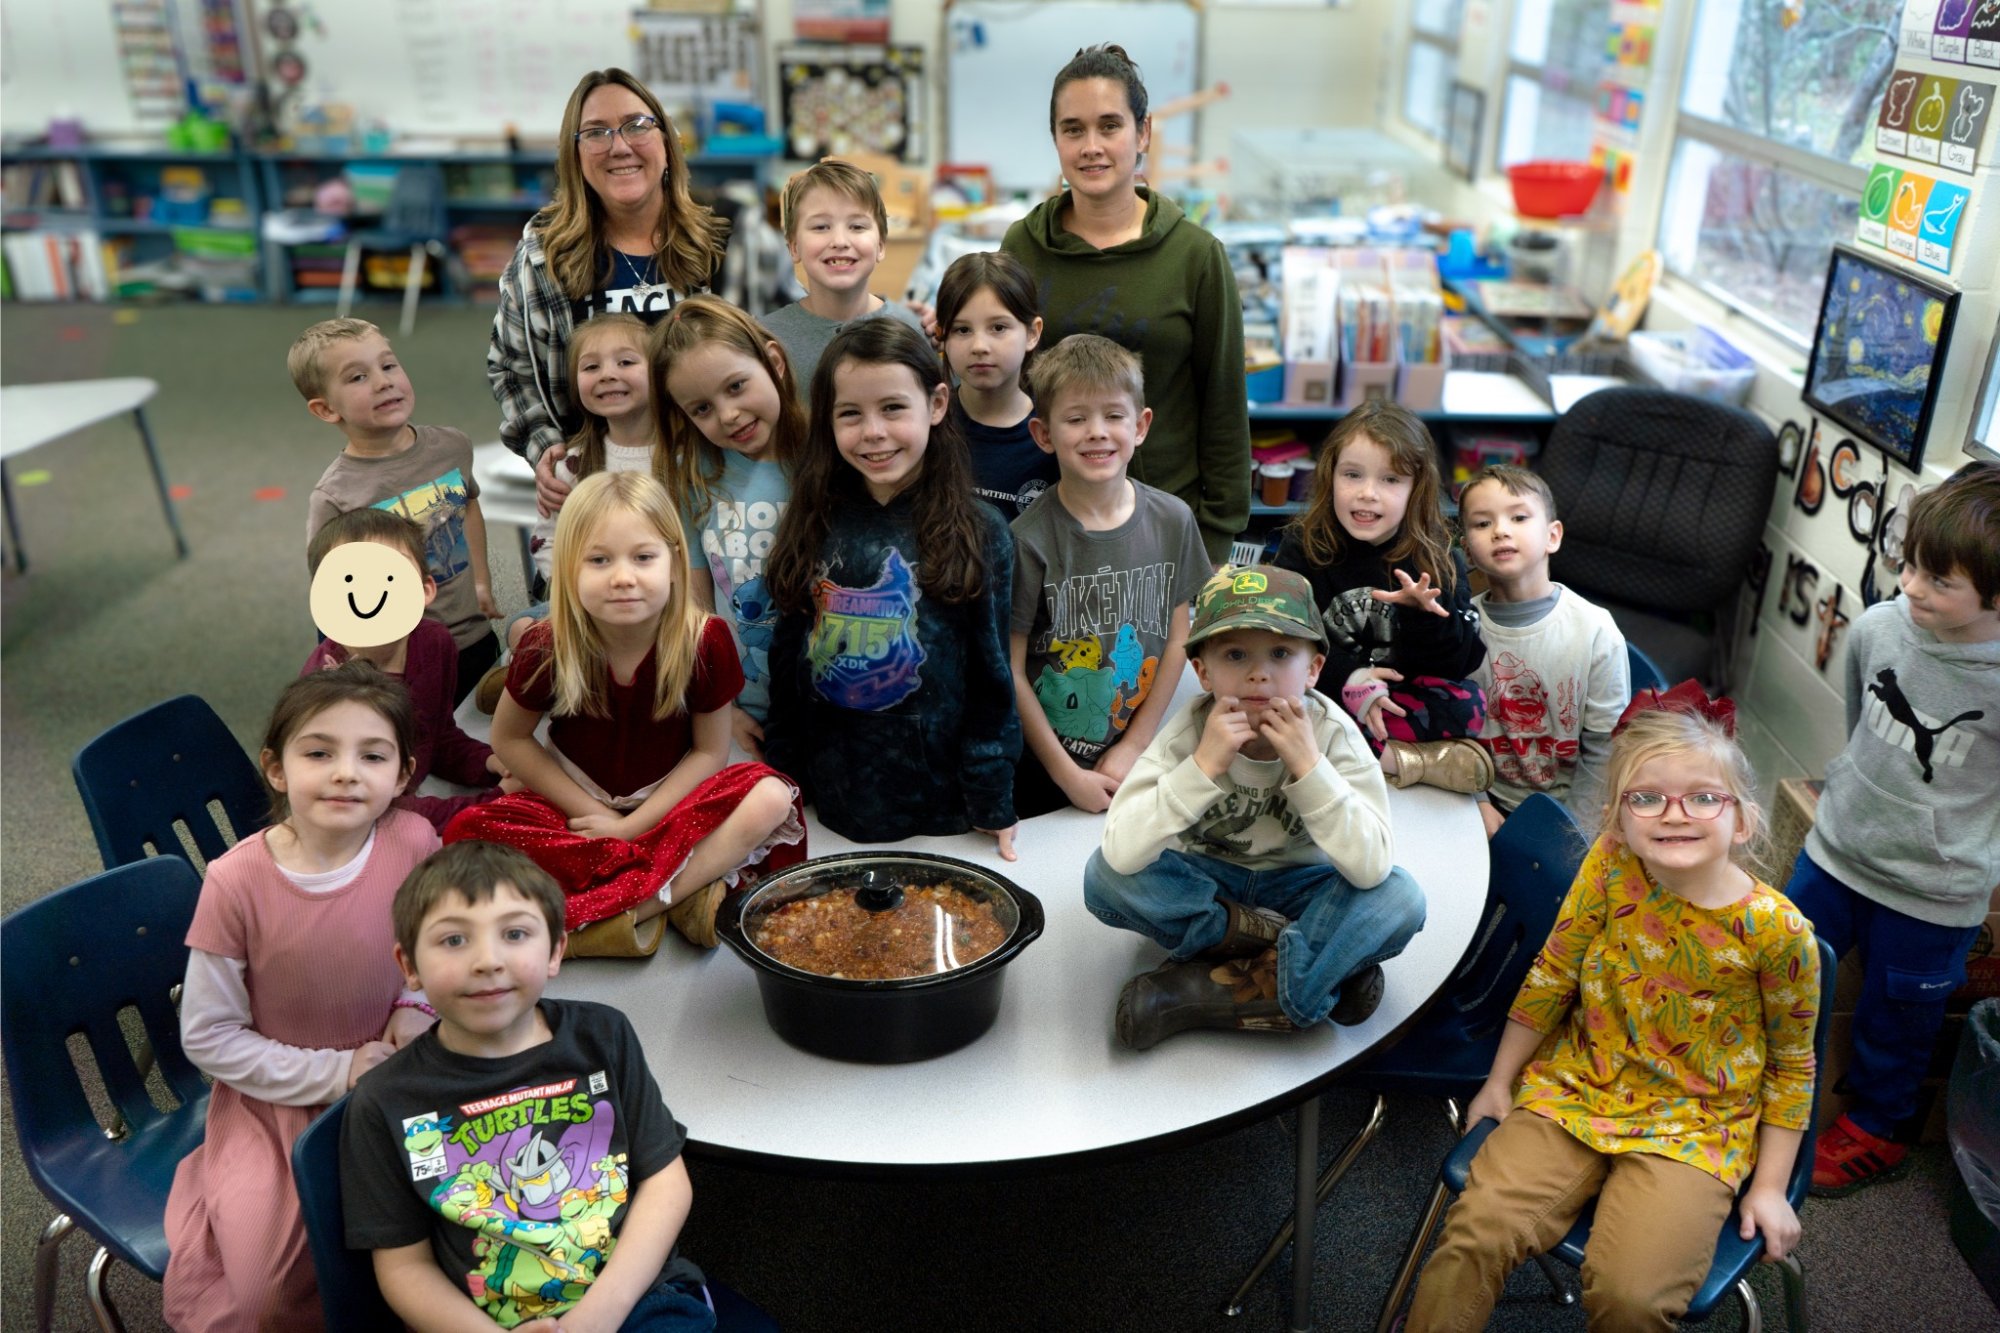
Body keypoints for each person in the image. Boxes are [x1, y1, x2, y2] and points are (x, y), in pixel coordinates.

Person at [1404, 697, 1820, 1333]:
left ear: (1742, 822)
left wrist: (1769, 1185)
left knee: (1631, 1297)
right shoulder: (1610, 863)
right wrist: (1498, 1080)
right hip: (1578, 1084)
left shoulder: (1778, 931)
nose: (1674, 815)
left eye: (1704, 798)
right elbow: (1553, 972)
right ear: (1617, 819)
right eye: (1646, 798)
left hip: (1697, 1123)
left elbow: (1792, 1068)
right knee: (1476, 1235)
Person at [162, 662, 443, 1333]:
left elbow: (437, 952)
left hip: (398, 1076)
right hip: (279, 1105)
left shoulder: (414, 840)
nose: (346, 772)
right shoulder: (235, 881)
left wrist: (414, 1008)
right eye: (319, 751)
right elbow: (207, 1035)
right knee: (270, 1293)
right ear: (277, 768)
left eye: (371, 755)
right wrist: (334, 1072)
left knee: (461, 1224)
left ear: (401, 775)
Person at [342, 840, 714, 1331]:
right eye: (454, 940)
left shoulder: (604, 1036)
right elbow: (404, 1267)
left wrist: (599, 1316)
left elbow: (665, 1183)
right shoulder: (383, 1101)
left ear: (556, 948)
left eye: (515, 933)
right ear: (408, 966)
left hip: (637, 1298)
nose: (487, 960)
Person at [443, 471, 805, 957]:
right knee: (467, 833)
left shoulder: (705, 639)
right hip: (576, 806)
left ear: (675, 563)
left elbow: (708, 753)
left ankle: (641, 907)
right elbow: (511, 740)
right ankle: (679, 888)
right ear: (568, 570)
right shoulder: (545, 645)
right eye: (598, 560)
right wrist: (594, 813)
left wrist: (631, 828)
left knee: (771, 797)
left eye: (643, 557)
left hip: (670, 802)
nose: (623, 576)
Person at [1083, 565, 1427, 1050]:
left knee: (1401, 898)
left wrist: (1309, 767)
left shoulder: (1333, 735)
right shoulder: (1189, 735)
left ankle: (1202, 988)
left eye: (1281, 653)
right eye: (1235, 654)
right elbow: (1120, 854)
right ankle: (1305, 966)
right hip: (1209, 880)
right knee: (1103, 879)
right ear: (1202, 672)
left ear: (1313, 669)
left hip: (1303, 884)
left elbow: (1371, 868)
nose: (1258, 673)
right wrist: (1201, 768)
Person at [1785, 463, 2000, 1196]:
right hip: (1837, 852)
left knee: (1896, 1019)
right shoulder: (1881, 626)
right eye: (1909, 565)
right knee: (1777, 969)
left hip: (1934, 893)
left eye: (1940, 581)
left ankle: (1879, 1129)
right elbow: (1859, 727)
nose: (1910, 586)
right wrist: (1862, 795)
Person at [763, 318, 1022, 857]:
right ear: (827, 423)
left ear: (937, 404)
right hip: (827, 802)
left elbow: (993, 678)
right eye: (850, 414)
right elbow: (787, 664)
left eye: (893, 408)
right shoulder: (812, 520)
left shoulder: (981, 531)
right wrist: (780, 778)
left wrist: (991, 794)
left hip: (945, 811)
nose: (873, 432)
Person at [1001, 43, 1249, 564]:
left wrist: (1216, 539)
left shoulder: (1197, 256)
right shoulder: (1022, 247)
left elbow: (1224, 407)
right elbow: (1006, 384)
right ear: (1056, 140)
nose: (1091, 146)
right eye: (1073, 129)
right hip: (1048, 529)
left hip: (1168, 530)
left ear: (1143, 133)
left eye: (1109, 125)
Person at [490, 67, 730, 521]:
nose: (620, 146)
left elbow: (773, 345)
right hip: (597, 490)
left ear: (667, 141)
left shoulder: (722, 242)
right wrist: (545, 448)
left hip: (711, 481)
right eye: (596, 133)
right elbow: (511, 367)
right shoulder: (543, 257)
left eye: (637, 125)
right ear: (575, 155)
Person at [1009, 334, 1207, 818]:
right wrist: (1067, 775)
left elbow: (1181, 634)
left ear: (1140, 426)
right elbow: (1010, 670)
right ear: (1044, 434)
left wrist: (1135, 746)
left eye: (1113, 416)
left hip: (1137, 753)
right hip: (1043, 768)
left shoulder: (1173, 520)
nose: (1097, 431)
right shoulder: (1026, 539)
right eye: (1076, 418)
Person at [1273, 400, 1492, 794]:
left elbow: (1459, 664)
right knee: (1272, 700)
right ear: (1331, 476)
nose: (1367, 494)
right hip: (1326, 688)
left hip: (1397, 696)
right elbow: (1286, 638)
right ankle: (1405, 760)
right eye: (1352, 475)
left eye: (1390, 480)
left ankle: (1355, 754)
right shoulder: (1302, 547)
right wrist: (1351, 679)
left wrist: (1425, 616)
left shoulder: (1438, 557)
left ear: (1415, 489)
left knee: (1469, 705)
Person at [296, 317, 500, 700]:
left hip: (472, 634)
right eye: (357, 377)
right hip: (401, 662)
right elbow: (333, 594)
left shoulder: (452, 447)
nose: (383, 381)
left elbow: (467, 506)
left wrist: (481, 582)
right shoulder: (335, 497)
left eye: (388, 365)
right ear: (326, 409)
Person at [474, 312, 668, 710]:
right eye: (591, 367)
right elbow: (548, 539)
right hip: (585, 595)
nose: (607, 374)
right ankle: (545, 670)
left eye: (626, 362)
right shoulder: (572, 463)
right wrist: (579, 591)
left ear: (659, 373)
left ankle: (569, 675)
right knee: (521, 625)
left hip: (661, 595)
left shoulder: (681, 460)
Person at [656, 295, 806, 759]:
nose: (727, 415)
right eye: (701, 409)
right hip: (739, 705)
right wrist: (722, 707)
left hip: (828, 700)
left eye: (737, 387)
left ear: (774, 363)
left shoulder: (825, 456)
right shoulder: (692, 474)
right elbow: (696, 607)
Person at [302, 508, 508, 829]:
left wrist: (490, 763)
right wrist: (491, 801)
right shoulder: (329, 687)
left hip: (414, 801)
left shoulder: (434, 643)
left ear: (424, 589)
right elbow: (374, 809)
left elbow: (436, 738)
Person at [1457, 465, 1628, 835]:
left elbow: (1604, 751)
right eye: (1482, 524)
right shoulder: (1460, 629)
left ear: (1552, 536)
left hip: (1572, 812)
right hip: (1481, 804)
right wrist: (1479, 803)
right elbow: (1454, 731)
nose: (1501, 530)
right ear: (1467, 548)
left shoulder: (1596, 631)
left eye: (1518, 517)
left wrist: (1574, 833)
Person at [760, 158, 928, 398]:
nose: (840, 241)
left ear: (880, 245)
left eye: (857, 227)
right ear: (794, 247)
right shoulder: (766, 340)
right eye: (821, 227)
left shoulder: (912, 329)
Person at [935, 250, 1055, 521]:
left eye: (998, 328)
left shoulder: (1055, 432)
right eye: (962, 330)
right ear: (942, 336)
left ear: (1032, 333)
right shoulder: (927, 426)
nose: (979, 346)